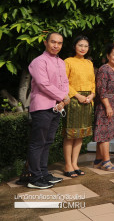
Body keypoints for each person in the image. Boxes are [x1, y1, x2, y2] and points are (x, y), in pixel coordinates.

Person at [26, 32, 70, 189]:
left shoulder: (61, 62)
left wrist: (63, 99)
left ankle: (43, 173)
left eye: (59, 43)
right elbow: (43, 84)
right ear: (46, 43)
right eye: (53, 42)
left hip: (56, 107)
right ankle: (34, 177)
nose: (56, 45)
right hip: (42, 107)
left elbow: (65, 82)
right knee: (38, 142)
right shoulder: (39, 62)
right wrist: (63, 97)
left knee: (48, 141)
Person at [63, 36, 95, 178]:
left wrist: (92, 95)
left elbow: (93, 82)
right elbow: (64, 82)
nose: (83, 48)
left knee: (80, 135)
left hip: (88, 101)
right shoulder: (68, 62)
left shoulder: (89, 63)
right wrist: (77, 95)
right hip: (74, 101)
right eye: (80, 45)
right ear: (74, 46)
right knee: (71, 135)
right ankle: (68, 165)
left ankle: (75, 163)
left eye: (86, 46)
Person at [93, 43, 114, 171]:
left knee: (106, 133)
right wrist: (108, 106)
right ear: (108, 55)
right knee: (104, 134)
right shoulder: (104, 69)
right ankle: (106, 161)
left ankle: (98, 160)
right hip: (105, 105)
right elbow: (101, 90)